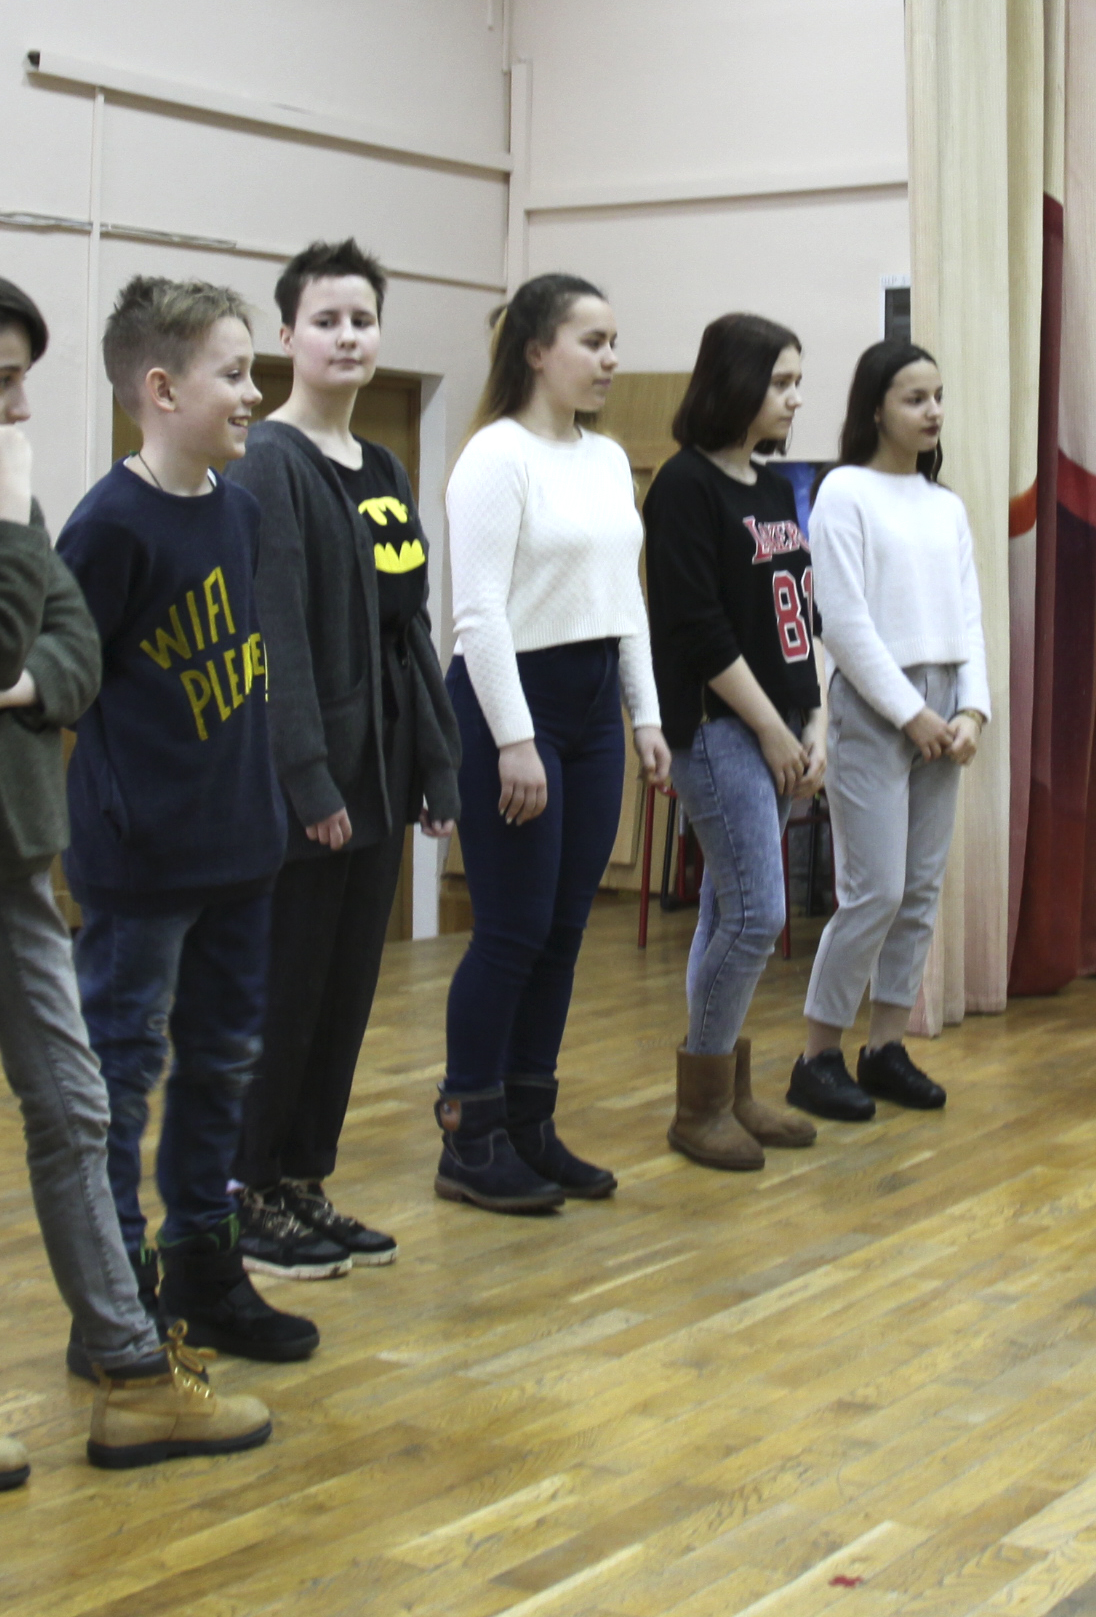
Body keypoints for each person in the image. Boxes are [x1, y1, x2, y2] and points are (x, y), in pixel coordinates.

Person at [0, 254, 270, 1491]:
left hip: (18, 842)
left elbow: (68, 651)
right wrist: (12, 528)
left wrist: (14, 682)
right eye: (1, 383)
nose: (19, 411)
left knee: (73, 1103)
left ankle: (129, 1371)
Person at [59, 276, 310, 1362]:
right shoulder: (106, 528)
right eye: (236, 373)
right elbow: (65, 688)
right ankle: (115, 1298)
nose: (255, 393)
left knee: (222, 1068)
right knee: (119, 1077)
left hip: (240, 856)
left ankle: (205, 1265)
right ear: (161, 390)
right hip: (141, 869)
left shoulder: (240, 513)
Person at [230, 240, 461, 1277]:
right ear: (287, 336)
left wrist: (437, 766)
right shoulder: (267, 463)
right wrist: (308, 779)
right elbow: (274, 632)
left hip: (381, 775)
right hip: (310, 789)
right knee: (286, 995)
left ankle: (302, 1183)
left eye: (361, 319)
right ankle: (247, 1195)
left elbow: (411, 630)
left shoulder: (385, 470)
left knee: (344, 997)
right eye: (325, 320)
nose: (347, 337)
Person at [437, 274, 668, 1213]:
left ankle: (530, 1123)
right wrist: (515, 740)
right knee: (512, 931)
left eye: (614, 342)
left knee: (566, 931)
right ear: (537, 351)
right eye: (592, 342)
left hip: (590, 711)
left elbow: (624, 601)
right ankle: (470, 1132)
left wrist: (645, 717)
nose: (611, 359)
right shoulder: (495, 456)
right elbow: (479, 615)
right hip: (512, 706)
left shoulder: (607, 459)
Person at [643, 313, 826, 1173]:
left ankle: (727, 1090)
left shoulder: (771, 488)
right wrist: (769, 728)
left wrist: (814, 722)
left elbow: (799, 617)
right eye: (781, 382)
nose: (794, 399)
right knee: (758, 914)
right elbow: (698, 629)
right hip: (720, 731)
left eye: (797, 383)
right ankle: (700, 1103)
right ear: (737, 383)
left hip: (779, 727)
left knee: (728, 911)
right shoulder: (684, 486)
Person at [789, 342, 988, 1121]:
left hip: (944, 704)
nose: (933, 411)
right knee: (875, 890)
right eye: (914, 398)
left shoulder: (946, 506)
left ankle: (885, 1048)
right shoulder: (844, 492)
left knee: (920, 890)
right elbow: (841, 621)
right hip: (877, 706)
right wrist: (912, 713)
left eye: (938, 397)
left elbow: (969, 618)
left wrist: (972, 710)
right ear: (875, 408)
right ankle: (817, 1056)